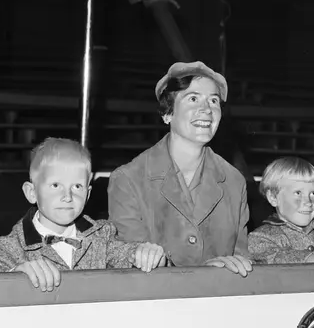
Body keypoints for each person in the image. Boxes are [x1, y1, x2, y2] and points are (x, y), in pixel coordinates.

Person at [108, 61, 252, 277]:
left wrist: (229, 269)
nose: (207, 109)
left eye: (213, 100)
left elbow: (242, 259)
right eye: (193, 98)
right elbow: (128, 262)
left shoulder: (234, 181)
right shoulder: (128, 179)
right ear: (167, 113)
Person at [0, 138, 148, 291]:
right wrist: (13, 276)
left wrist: (143, 254)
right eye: (56, 185)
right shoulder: (7, 248)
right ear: (32, 192)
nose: (67, 197)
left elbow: (127, 256)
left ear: (88, 194)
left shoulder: (102, 236)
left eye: (77, 186)